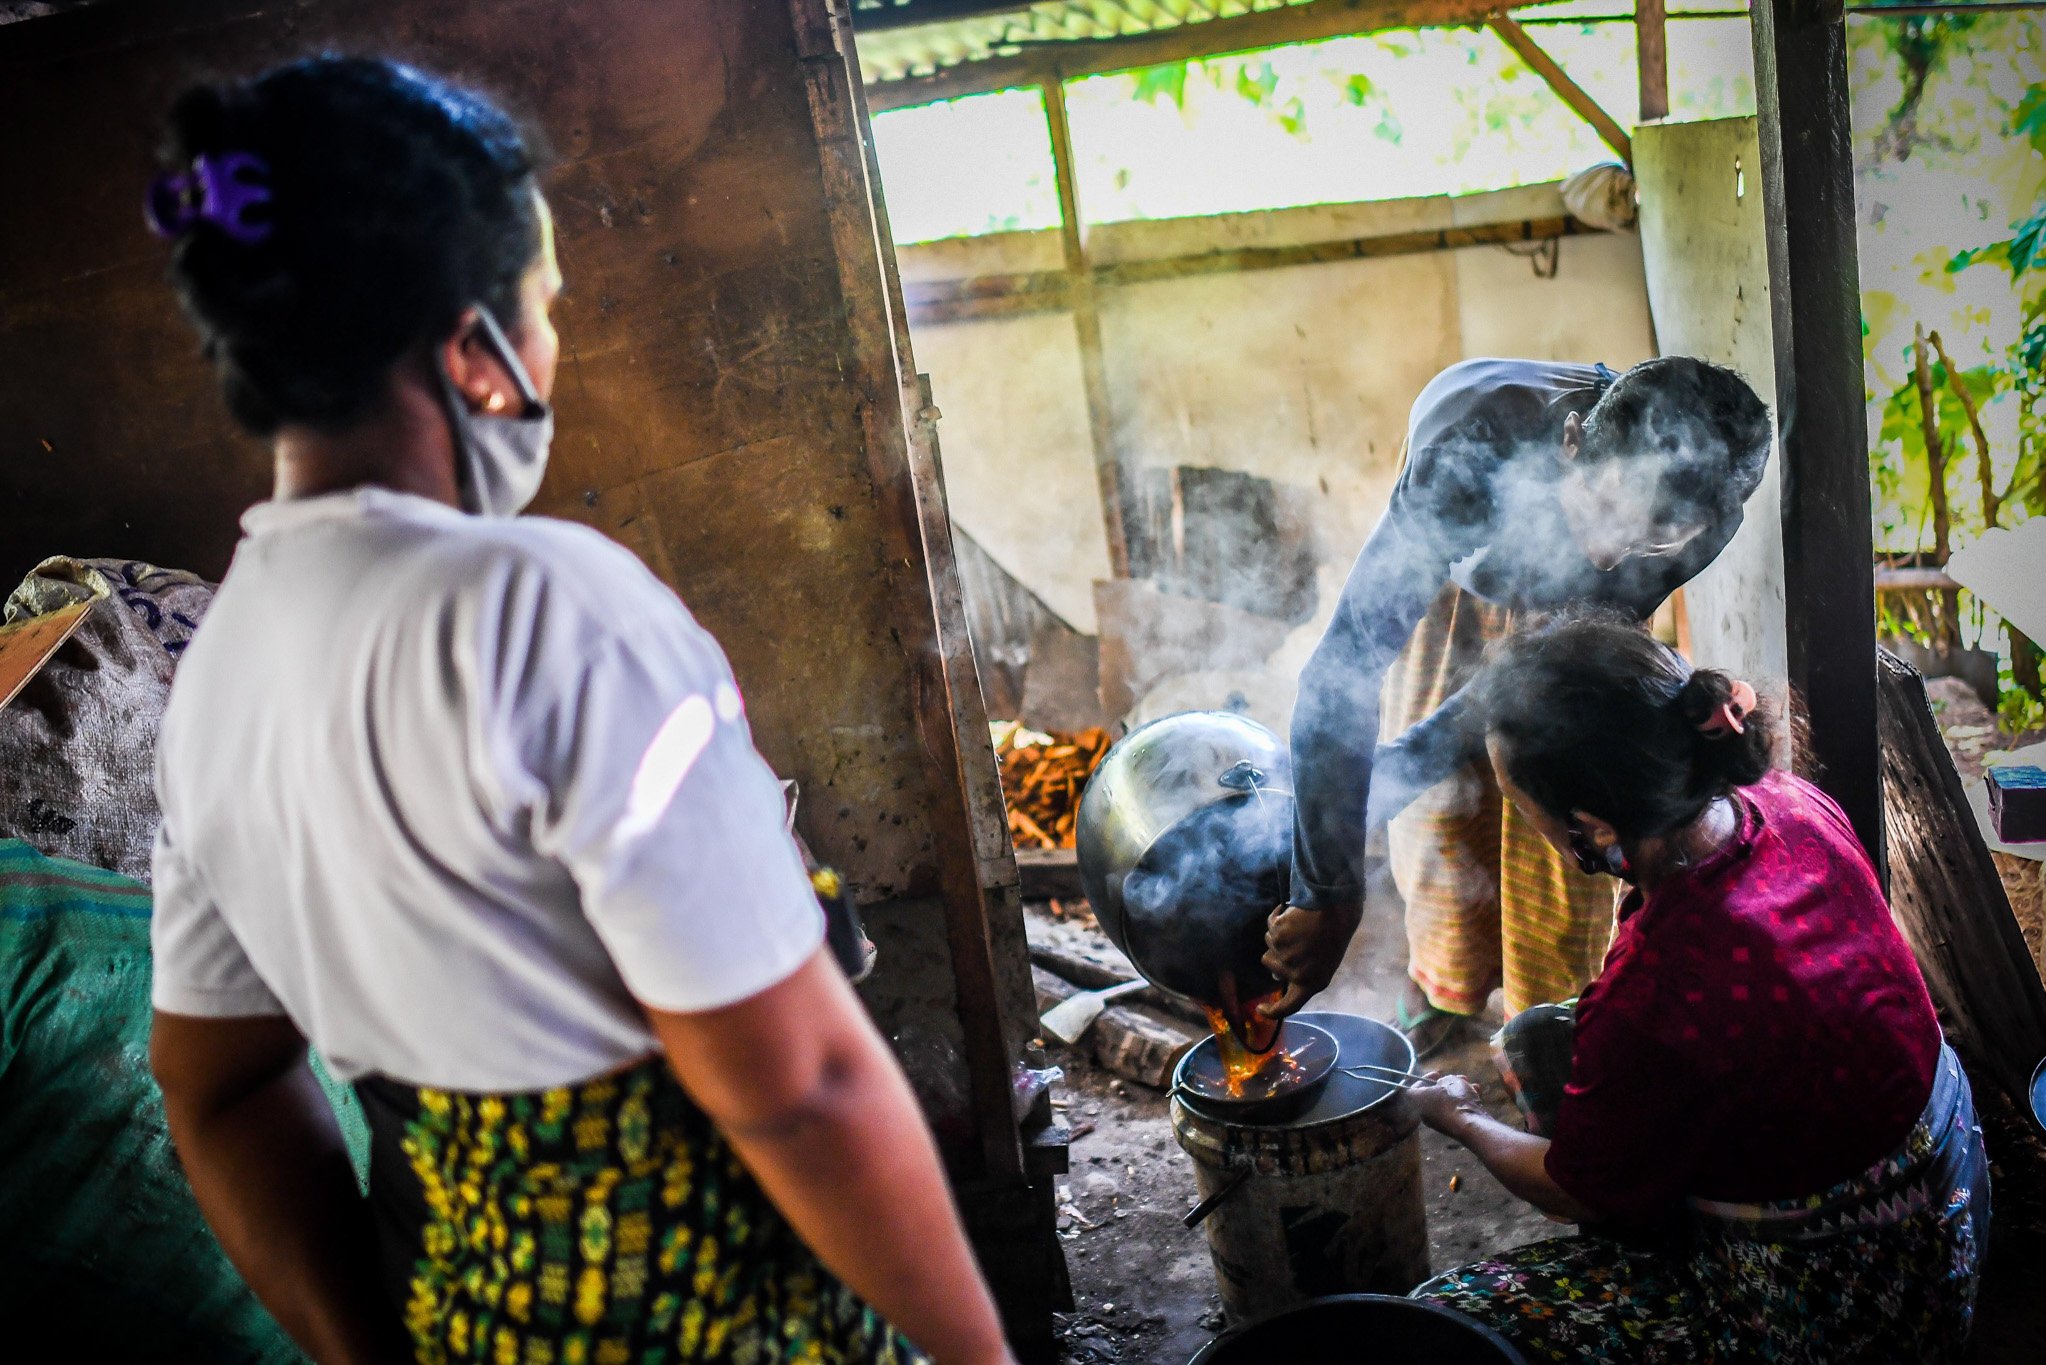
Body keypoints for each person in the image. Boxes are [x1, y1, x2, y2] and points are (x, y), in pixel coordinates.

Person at [144, 58, 1013, 1365]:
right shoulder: (547, 603)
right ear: (472, 351)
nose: (553, 346)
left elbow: (217, 1090)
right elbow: (802, 1087)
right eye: (544, 307)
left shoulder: (216, 673)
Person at [1404, 612, 1988, 1363]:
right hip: (1948, 1194)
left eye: (1528, 810)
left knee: (1446, 1316)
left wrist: (1463, 1119)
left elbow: (1572, 1187)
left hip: (1850, 1298)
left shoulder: (1659, 988)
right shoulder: (1786, 802)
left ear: (1590, 824)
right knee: (1542, 1038)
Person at [1265, 356, 1774, 1052]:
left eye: (1643, 541)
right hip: (1457, 583)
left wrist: (1523, 776)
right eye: (1601, 511)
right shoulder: (1465, 466)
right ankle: (1441, 986)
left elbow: (1547, 664)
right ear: (1571, 442)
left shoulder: (1704, 514)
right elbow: (1339, 673)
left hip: (1561, 629)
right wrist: (1327, 890)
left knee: (1570, 835)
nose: (1606, 554)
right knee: (1437, 820)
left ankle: (1549, 1029)